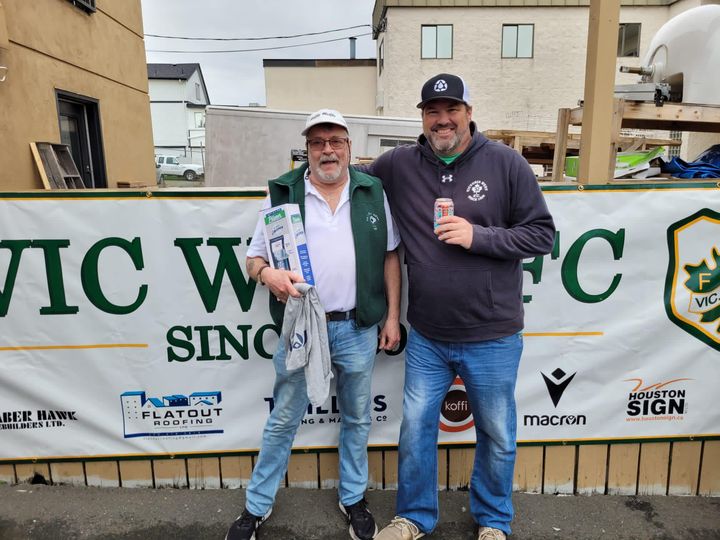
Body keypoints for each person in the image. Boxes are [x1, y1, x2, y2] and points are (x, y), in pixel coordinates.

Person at [361, 74, 556, 540]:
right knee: (415, 430)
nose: (442, 120)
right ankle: (413, 517)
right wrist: (290, 188)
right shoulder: (398, 165)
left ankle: (493, 521)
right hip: (428, 335)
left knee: (497, 434)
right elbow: (346, 179)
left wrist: (478, 236)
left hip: (493, 335)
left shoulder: (506, 163)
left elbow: (542, 235)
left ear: (469, 113)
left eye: (451, 110)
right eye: (432, 111)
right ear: (422, 118)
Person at [225, 108, 402, 540]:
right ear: (306, 149)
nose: (327, 150)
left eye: (335, 141)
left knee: (357, 417)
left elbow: (390, 256)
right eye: (317, 142)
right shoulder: (283, 193)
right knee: (284, 418)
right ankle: (256, 507)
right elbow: (253, 259)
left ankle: (353, 497)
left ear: (349, 148)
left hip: (358, 327)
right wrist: (268, 275)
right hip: (302, 329)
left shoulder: (371, 191)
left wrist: (393, 317)